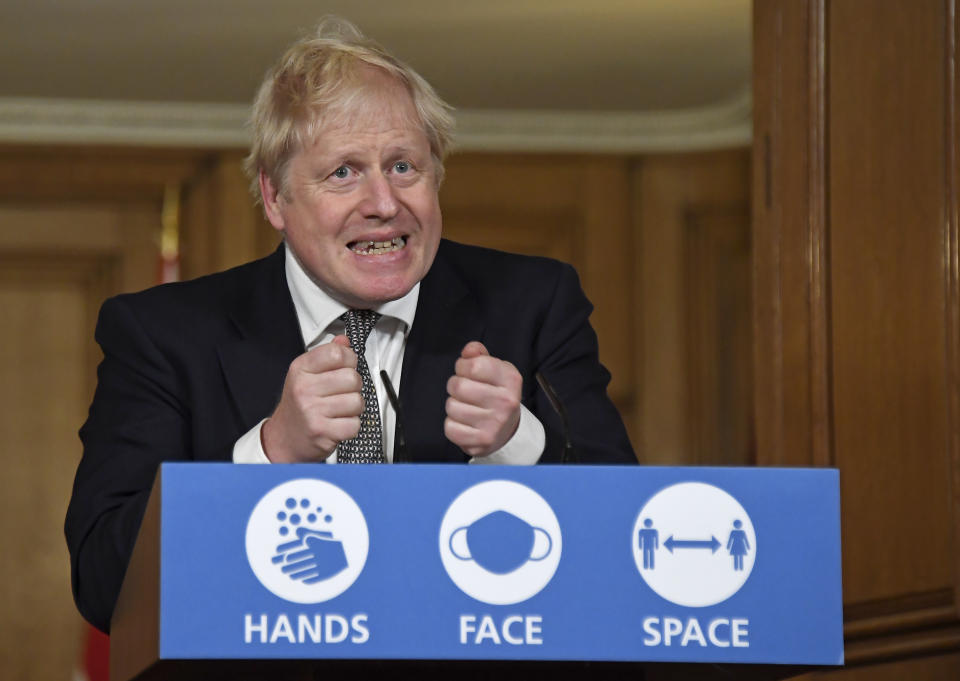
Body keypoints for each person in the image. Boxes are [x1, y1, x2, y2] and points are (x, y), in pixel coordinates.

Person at [65, 16, 636, 634]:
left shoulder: (533, 303)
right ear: (275, 198)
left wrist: (518, 445)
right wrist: (270, 453)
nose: (385, 204)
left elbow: (629, 551)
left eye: (403, 167)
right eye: (344, 172)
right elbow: (104, 582)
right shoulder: (163, 334)